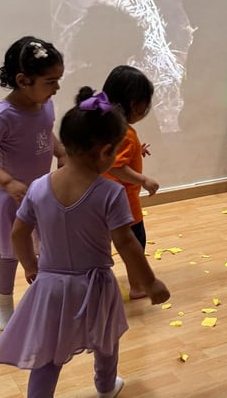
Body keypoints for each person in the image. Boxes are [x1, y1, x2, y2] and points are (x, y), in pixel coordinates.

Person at [0, 88, 170, 398]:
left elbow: (19, 232)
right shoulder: (110, 193)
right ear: (103, 152)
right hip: (95, 285)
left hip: (50, 285)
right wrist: (150, 283)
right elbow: (126, 244)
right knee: (106, 340)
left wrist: (30, 265)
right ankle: (105, 386)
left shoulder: (39, 187)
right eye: (114, 153)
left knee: (47, 354)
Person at [0, 36, 66, 331]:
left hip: (41, 192)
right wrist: (7, 182)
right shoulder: (3, 115)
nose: (57, 88)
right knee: (11, 253)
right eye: (51, 81)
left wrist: (61, 152)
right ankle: (3, 301)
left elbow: (45, 133)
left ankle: (43, 298)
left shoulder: (45, 104)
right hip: (11, 198)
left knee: (46, 247)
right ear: (24, 80)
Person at [101, 65, 160, 300]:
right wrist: (143, 179)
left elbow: (113, 158)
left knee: (105, 242)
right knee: (136, 243)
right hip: (124, 200)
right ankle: (137, 286)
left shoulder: (108, 126)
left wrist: (137, 151)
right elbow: (116, 166)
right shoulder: (124, 132)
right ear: (134, 104)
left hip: (105, 198)